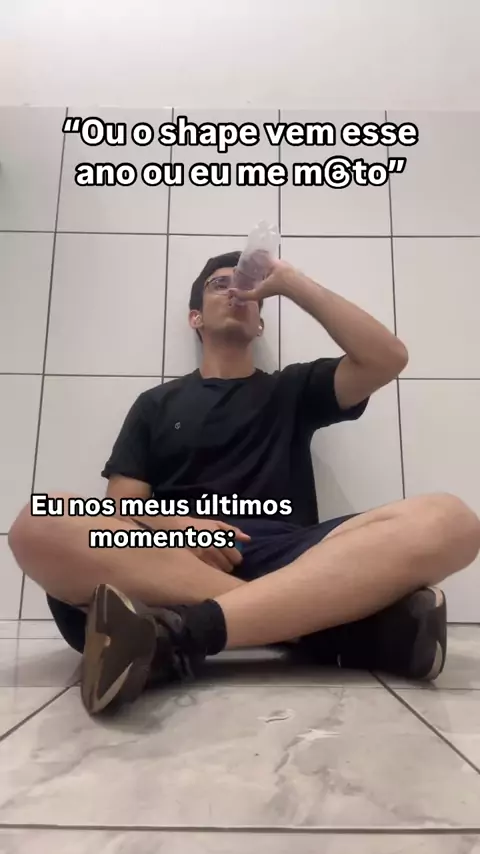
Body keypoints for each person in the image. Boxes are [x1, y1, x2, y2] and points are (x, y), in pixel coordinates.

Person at [8, 250, 480, 716]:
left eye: (247, 288)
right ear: (195, 318)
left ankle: (179, 632)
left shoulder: (292, 388)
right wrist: (179, 528)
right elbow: (119, 506)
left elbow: (387, 358)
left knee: (450, 520)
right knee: (41, 520)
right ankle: (325, 628)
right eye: (219, 284)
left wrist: (290, 282)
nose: (235, 291)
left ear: (260, 324)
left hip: (293, 559)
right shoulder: (155, 404)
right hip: (171, 562)